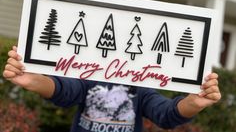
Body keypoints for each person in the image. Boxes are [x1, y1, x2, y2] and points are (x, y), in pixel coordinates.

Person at [3, 46, 221, 132]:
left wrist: (193, 103)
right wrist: (33, 80)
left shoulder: (140, 88)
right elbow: (64, 90)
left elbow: (165, 114)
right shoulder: (88, 77)